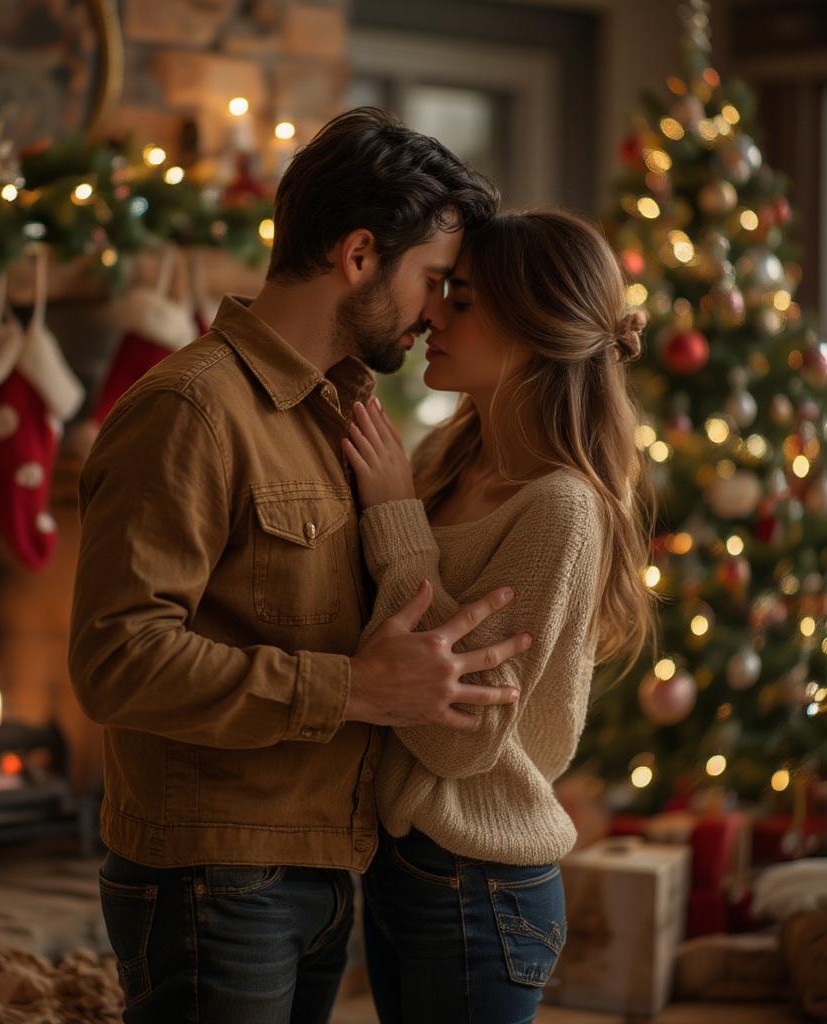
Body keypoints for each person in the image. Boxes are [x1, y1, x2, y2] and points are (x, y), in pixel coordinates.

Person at [68, 108, 527, 1024]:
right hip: (213, 877)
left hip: (315, 868)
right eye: (433, 280)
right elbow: (117, 658)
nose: (438, 310)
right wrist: (352, 689)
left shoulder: (343, 416)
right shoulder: (192, 410)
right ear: (359, 255)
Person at [342, 210, 657, 1024]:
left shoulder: (561, 509)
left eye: (464, 300)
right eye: (441, 291)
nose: (433, 315)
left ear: (534, 327)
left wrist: (395, 518)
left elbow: (457, 733)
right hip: (403, 863)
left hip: (478, 883)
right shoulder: (444, 462)